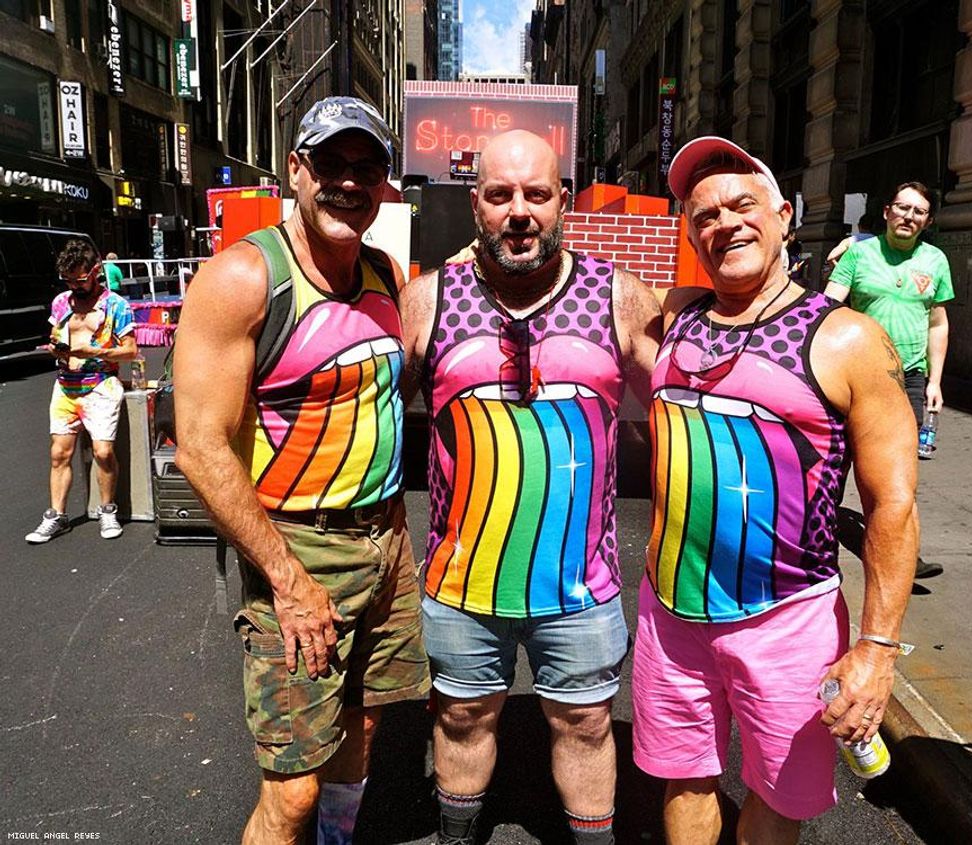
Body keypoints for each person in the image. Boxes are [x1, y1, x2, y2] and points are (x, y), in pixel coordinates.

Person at [632, 136, 918, 845]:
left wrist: (878, 650)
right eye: (704, 215)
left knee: (776, 796)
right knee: (685, 777)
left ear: (784, 216)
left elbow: (894, 505)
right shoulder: (677, 315)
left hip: (787, 620)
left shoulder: (847, 338)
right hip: (671, 615)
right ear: (691, 235)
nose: (724, 222)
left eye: (742, 204)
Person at [173, 96, 430, 845]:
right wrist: (287, 580)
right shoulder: (244, 280)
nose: (349, 183)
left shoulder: (383, 269)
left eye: (367, 167)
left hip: (385, 544)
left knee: (364, 725)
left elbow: (381, 405)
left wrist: (394, 537)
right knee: (291, 789)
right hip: (298, 547)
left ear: (386, 183)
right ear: (296, 170)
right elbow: (200, 445)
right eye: (331, 164)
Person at [401, 129, 661, 845]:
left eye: (536, 194)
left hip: (582, 585)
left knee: (583, 723)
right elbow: (364, 415)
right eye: (500, 194)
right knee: (461, 718)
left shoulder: (619, 296)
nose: (520, 211)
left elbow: (690, 404)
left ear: (563, 203)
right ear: (476, 205)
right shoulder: (428, 300)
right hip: (462, 582)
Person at [825, 182, 953, 578]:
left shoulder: (935, 261)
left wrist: (935, 381)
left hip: (909, 378)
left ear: (927, 221)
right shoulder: (859, 255)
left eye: (918, 211)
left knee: (899, 474)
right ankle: (817, 546)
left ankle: (903, 556)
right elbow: (829, 306)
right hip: (856, 376)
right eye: (902, 207)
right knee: (837, 464)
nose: (908, 216)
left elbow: (938, 323)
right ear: (886, 212)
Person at [25, 239, 137, 544]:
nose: (75, 285)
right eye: (68, 280)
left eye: (80, 279)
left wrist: (95, 351)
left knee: (103, 452)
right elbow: (54, 337)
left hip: (101, 386)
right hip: (65, 385)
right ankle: (56, 515)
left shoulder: (116, 305)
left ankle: (107, 510)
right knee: (59, 453)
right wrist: (56, 350)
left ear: (96, 271)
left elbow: (130, 351)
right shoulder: (61, 302)